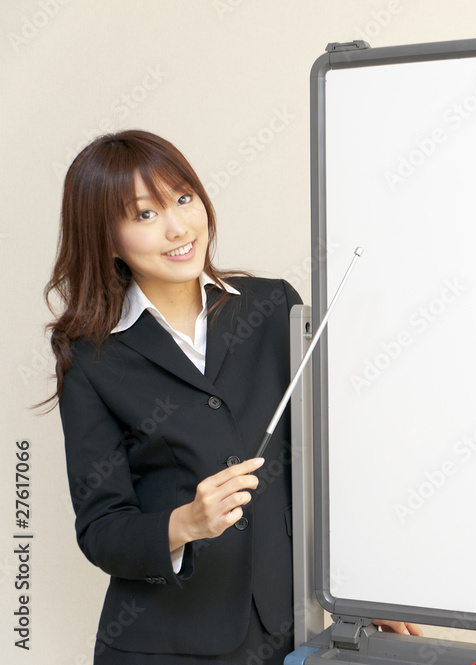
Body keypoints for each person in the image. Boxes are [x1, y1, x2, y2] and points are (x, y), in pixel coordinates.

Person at [43, 130, 419, 664]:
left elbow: (330, 469)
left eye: (182, 198)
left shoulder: (274, 307)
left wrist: (360, 588)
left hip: (291, 635)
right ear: (107, 239)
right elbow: (101, 529)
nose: (178, 227)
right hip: (163, 646)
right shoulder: (90, 355)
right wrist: (185, 524)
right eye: (144, 215)